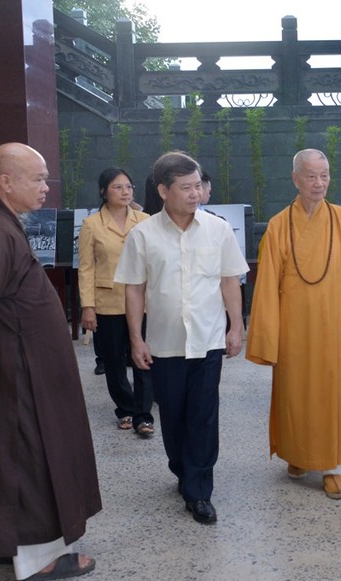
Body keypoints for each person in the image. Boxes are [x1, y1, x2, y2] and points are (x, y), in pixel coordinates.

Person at [0, 143, 101, 581]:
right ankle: (39, 555)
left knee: (1, 452)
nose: (46, 187)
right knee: (27, 454)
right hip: (16, 370)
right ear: (6, 182)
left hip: (15, 364)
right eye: (38, 178)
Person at [115, 151, 248, 524]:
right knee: (173, 415)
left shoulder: (218, 229)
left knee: (204, 415)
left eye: (198, 186)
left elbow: (228, 281)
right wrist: (136, 340)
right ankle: (183, 470)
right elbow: (134, 291)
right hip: (165, 342)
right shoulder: (142, 235)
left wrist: (235, 326)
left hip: (207, 340)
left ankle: (199, 490)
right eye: (186, 187)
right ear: (163, 190)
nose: (195, 194)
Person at [246, 149, 341, 500]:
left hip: (333, 328)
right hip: (294, 329)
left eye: (325, 175)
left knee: (332, 394)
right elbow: (268, 285)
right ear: (296, 179)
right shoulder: (278, 225)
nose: (319, 183)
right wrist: (268, 337)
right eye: (311, 176)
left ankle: (333, 466)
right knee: (295, 394)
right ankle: (298, 454)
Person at [78, 167, 155, 437]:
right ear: (103, 191)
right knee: (114, 361)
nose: (125, 192)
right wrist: (87, 306)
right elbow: (86, 268)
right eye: (117, 187)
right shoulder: (92, 225)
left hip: (143, 303)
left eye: (128, 187)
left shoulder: (145, 220)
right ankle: (125, 409)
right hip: (108, 302)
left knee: (144, 358)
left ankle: (144, 416)